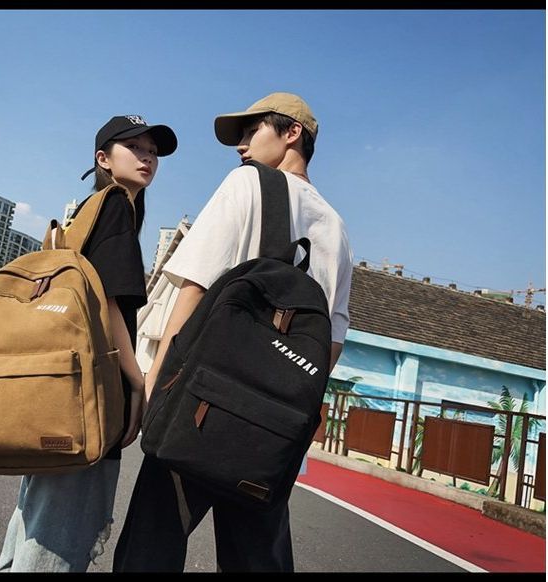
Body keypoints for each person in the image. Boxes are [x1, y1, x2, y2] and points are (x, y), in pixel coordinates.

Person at [112, 93, 353, 572]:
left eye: (251, 131)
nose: (240, 145)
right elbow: (330, 342)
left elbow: (195, 288)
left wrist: (156, 389)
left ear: (291, 134)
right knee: (255, 558)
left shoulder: (248, 185)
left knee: (151, 546)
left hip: (202, 406)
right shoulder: (337, 229)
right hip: (272, 430)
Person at [0, 114, 178, 572]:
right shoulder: (115, 206)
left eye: (152, 151)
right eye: (134, 147)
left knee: (34, 523)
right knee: (59, 537)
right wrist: (137, 382)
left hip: (62, 392)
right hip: (91, 398)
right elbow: (109, 303)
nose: (147, 157)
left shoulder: (87, 212)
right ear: (103, 158)